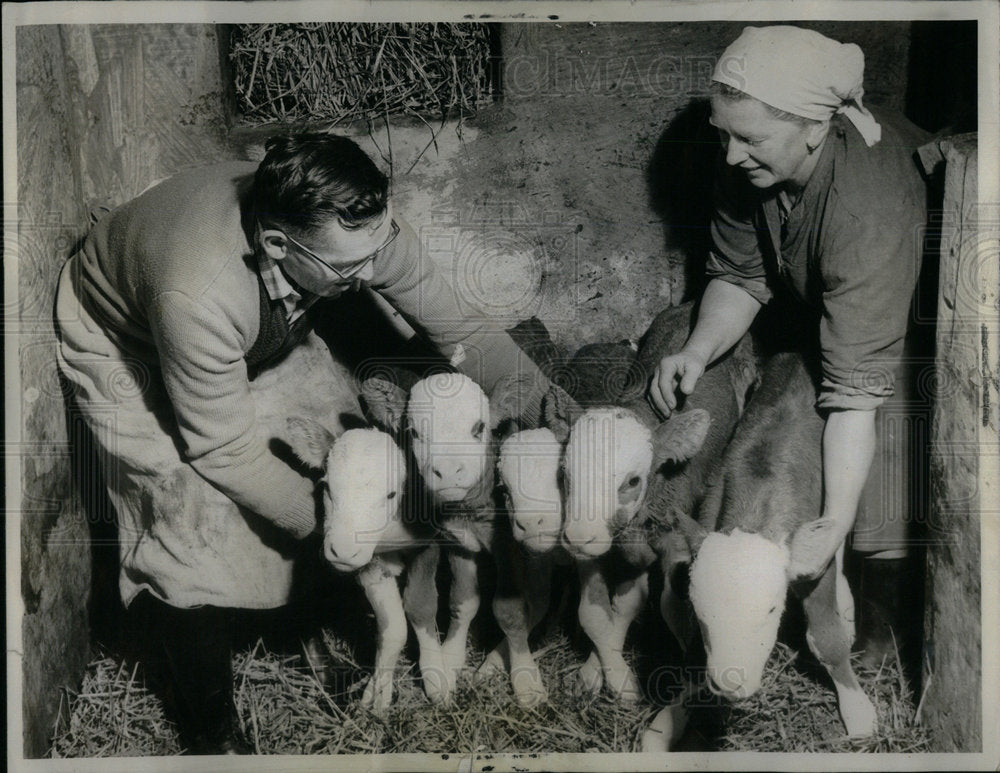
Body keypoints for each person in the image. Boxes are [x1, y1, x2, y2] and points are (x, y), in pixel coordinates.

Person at [55, 132, 548, 753]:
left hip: (262, 321)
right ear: (278, 245)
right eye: (351, 268)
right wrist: (340, 523)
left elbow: (464, 328)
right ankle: (211, 733)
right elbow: (220, 448)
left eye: (380, 247)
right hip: (130, 342)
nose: (374, 274)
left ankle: (317, 614)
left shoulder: (355, 228)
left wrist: (562, 417)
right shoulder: (198, 292)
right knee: (190, 518)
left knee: (344, 440)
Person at [648, 26, 931, 669]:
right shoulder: (751, 165)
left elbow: (856, 389)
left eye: (750, 138)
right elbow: (739, 274)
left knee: (886, 468)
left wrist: (830, 523)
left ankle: (881, 644)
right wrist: (697, 350)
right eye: (724, 133)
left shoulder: (868, 210)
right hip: (843, 306)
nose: (729, 155)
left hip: (910, 316)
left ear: (814, 128)